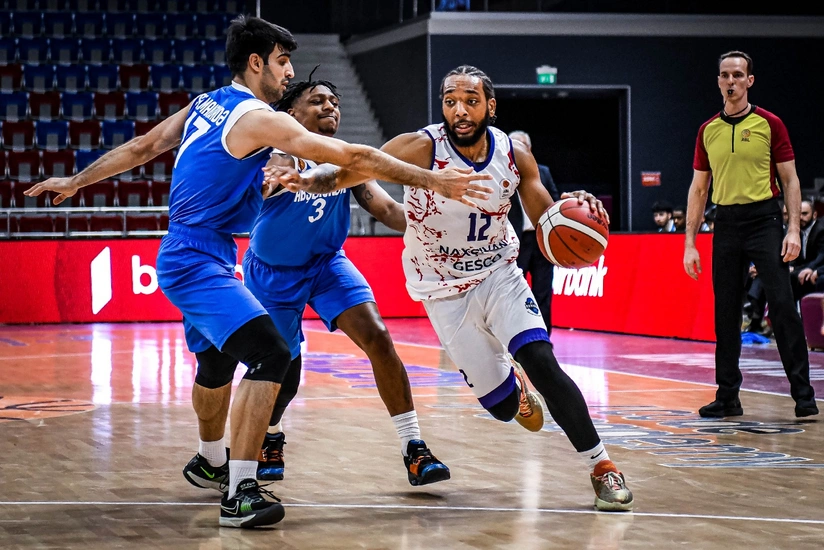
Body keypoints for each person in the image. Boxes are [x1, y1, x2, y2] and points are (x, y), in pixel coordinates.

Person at [23, 17, 493, 529]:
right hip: (199, 258)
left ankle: (211, 462)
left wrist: (77, 180)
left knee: (217, 369)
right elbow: (356, 157)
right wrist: (433, 180)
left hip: (207, 253)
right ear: (256, 63)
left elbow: (142, 148)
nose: (288, 72)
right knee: (272, 352)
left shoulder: (206, 103)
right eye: (282, 61)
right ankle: (240, 491)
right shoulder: (256, 117)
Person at [268, 65, 634, 511]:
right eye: (450, 101)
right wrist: (309, 180)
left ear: (490, 107)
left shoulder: (514, 153)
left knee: (540, 357)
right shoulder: (420, 148)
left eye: (471, 101)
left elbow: (546, 218)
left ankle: (602, 467)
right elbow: (355, 169)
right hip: (443, 292)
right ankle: (511, 393)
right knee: (500, 407)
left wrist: (575, 208)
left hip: (500, 274)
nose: (459, 110)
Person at [242, 72, 449, 486]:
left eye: (334, 103)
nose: (330, 107)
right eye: (318, 101)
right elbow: (256, 192)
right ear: (290, 113)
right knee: (285, 377)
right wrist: (266, 183)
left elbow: (388, 210)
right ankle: (269, 435)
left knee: (378, 337)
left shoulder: (343, 158)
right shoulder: (274, 155)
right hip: (273, 275)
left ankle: (414, 448)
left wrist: (439, 231)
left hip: (327, 265)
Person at [683, 50, 818, 419]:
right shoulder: (707, 130)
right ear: (718, 81)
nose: (731, 81)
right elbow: (698, 190)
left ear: (749, 81)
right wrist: (690, 243)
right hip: (725, 223)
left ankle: (804, 396)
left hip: (764, 221)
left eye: (738, 75)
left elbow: (790, 180)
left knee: (783, 306)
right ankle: (728, 396)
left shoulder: (770, 124)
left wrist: (792, 229)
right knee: (725, 313)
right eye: (725, 75)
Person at [507, 130, 561, 339]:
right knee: (513, 294)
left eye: (521, 146)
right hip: (515, 242)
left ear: (529, 150)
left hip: (541, 241)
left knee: (543, 292)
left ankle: (544, 340)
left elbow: (554, 202)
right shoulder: (500, 175)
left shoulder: (543, 172)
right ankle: (513, 338)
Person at [789, 199, 824, 303]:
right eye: (798, 214)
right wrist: (791, 266)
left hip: (817, 266)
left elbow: (822, 255)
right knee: (783, 275)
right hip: (805, 266)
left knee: (796, 277)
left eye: (804, 214)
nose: (800, 218)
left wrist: (811, 269)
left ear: (814, 215)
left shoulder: (820, 230)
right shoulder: (798, 231)